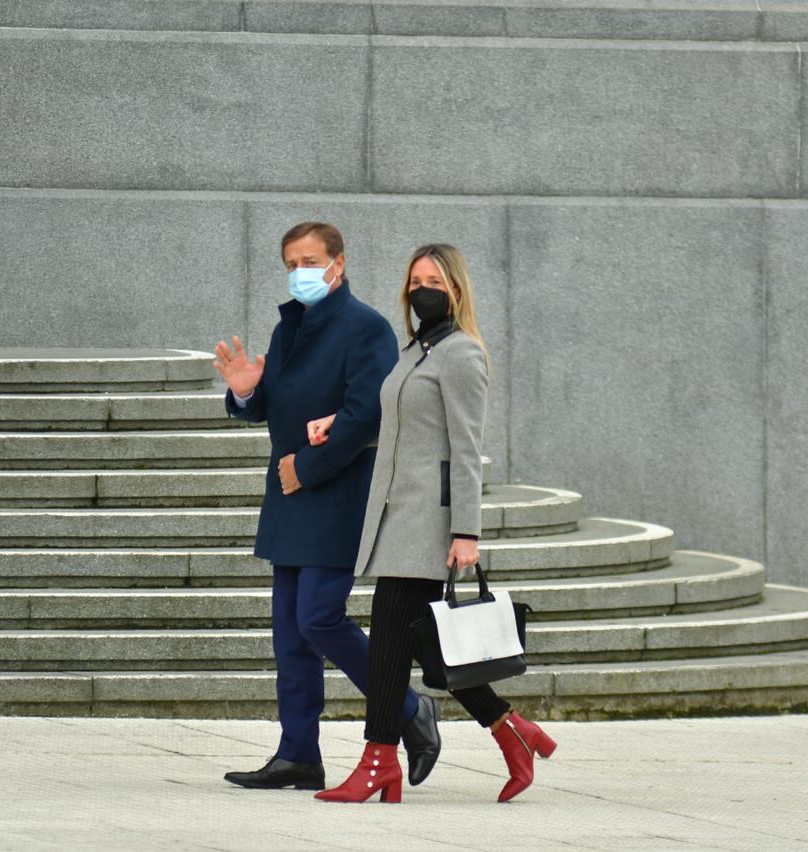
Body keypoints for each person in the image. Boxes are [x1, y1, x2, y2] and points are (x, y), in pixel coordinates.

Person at [310, 244, 557, 805]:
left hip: (431, 521)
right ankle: (511, 730)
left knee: (393, 642)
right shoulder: (415, 350)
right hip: (397, 516)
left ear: (456, 290)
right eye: (416, 280)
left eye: (434, 281)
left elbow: (466, 448)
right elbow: (406, 430)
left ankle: (379, 763)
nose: (423, 290)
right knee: (420, 644)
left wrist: (466, 532)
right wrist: (340, 426)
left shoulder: (463, 353)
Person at [213, 222, 441, 792]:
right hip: (290, 498)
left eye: (310, 260)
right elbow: (271, 403)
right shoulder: (289, 327)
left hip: (336, 494)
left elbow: (366, 414)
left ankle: (410, 708)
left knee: (319, 617)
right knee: (290, 635)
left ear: (338, 263)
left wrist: (304, 469)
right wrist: (245, 391)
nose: (299, 272)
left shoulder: (366, 328)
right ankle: (297, 754)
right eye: (291, 263)